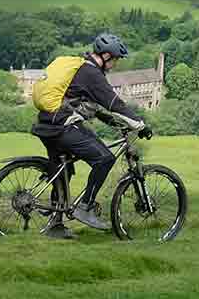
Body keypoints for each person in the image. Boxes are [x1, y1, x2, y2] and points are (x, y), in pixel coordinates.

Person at [31, 32, 151, 239]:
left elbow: (92, 108)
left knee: (64, 170)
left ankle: (56, 225)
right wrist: (139, 125)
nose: (116, 64)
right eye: (115, 59)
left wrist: (115, 122)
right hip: (62, 126)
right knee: (104, 158)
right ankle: (85, 207)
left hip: (46, 123)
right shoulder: (92, 74)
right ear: (105, 56)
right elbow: (114, 103)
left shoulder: (81, 68)